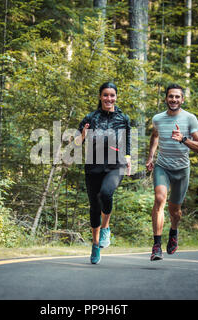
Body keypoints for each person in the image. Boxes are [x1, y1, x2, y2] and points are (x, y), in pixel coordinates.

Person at [146, 84, 198, 261]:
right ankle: (156, 246)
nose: (174, 100)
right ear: (166, 98)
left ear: (182, 99)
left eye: (177, 97)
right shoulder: (158, 118)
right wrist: (151, 157)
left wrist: (184, 139)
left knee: (175, 211)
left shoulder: (190, 119)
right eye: (171, 96)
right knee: (159, 199)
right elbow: (155, 135)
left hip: (181, 170)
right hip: (162, 166)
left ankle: (173, 231)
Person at [74, 82, 131, 264]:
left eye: (112, 95)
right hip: (93, 166)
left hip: (116, 164)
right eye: (105, 95)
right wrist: (83, 134)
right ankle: (95, 243)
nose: (109, 98)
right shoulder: (90, 117)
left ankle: (106, 228)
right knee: (94, 208)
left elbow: (128, 139)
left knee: (106, 193)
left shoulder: (123, 118)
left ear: (116, 96)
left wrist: (129, 156)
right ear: (100, 97)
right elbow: (75, 143)